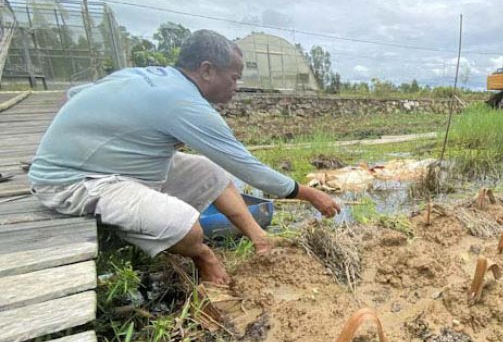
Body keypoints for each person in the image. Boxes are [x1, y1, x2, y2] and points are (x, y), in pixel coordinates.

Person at [28, 29, 341, 285]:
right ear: (206, 70)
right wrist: (309, 193)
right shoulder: (183, 103)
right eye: (233, 77)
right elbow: (249, 169)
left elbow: (76, 93)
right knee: (189, 228)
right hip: (74, 182)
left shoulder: (155, 77)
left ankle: (260, 238)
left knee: (210, 170)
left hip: (114, 167)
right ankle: (205, 259)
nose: (236, 86)